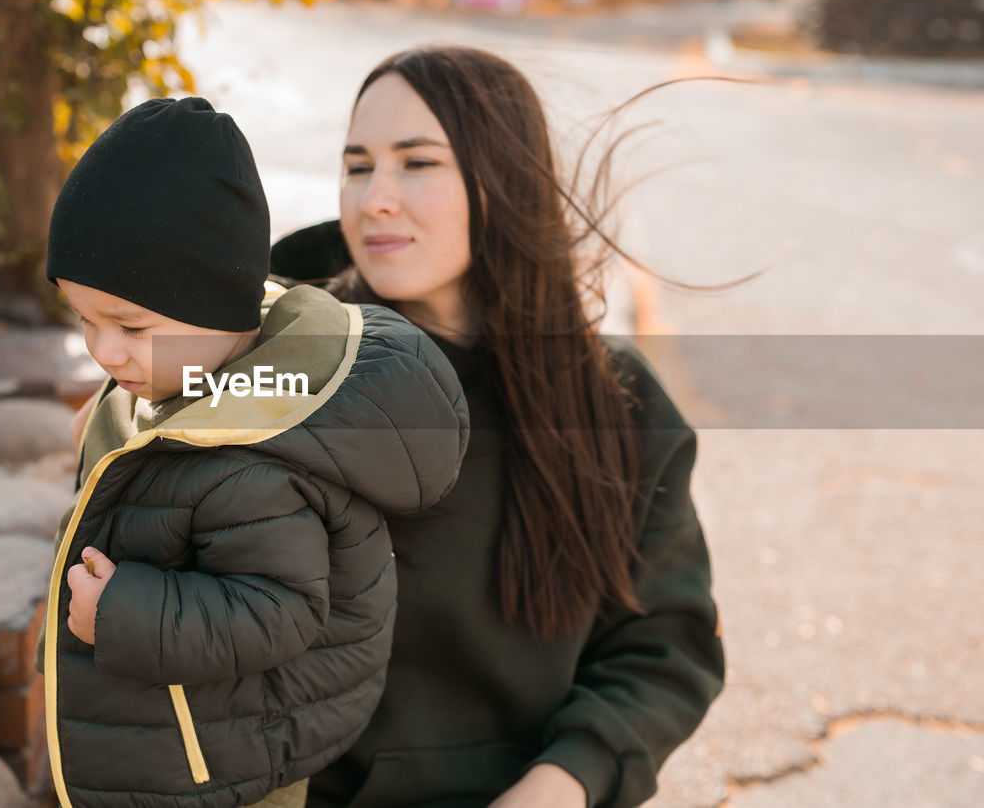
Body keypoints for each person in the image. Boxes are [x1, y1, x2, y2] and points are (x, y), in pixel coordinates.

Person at [269, 47, 725, 808]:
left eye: (417, 163)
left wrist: (567, 780)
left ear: (503, 179)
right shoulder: (278, 367)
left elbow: (664, 643)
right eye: (357, 166)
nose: (375, 198)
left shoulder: (617, 403)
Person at [36, 97, 469, 808]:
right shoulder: (180, 379)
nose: (103, 349)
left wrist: (121, 612)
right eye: (83, 319)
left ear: (220, 310)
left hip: (225, 766)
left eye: (129, 324)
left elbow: (281, 608)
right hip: (164, 740)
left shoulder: (255, 462)